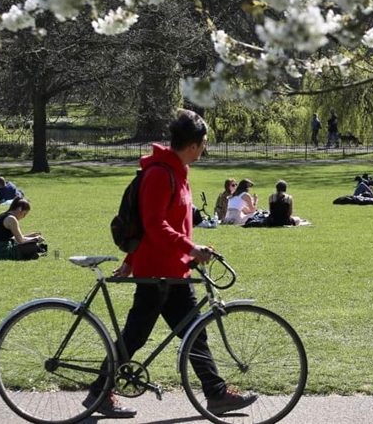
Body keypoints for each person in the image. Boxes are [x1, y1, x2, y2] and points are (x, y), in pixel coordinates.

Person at [86, 109, 257, 418]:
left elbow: (157, 225)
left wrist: (139, 258)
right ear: (194, 144)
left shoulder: (176, 172)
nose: (205, 148)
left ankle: (216, 394)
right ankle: (100, 393)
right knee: (136, 336)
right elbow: (153, 225)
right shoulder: (159, 174)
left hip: (174, 270)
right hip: (158, 272)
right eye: (204, 143)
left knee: (194, 332)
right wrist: (189, 248)